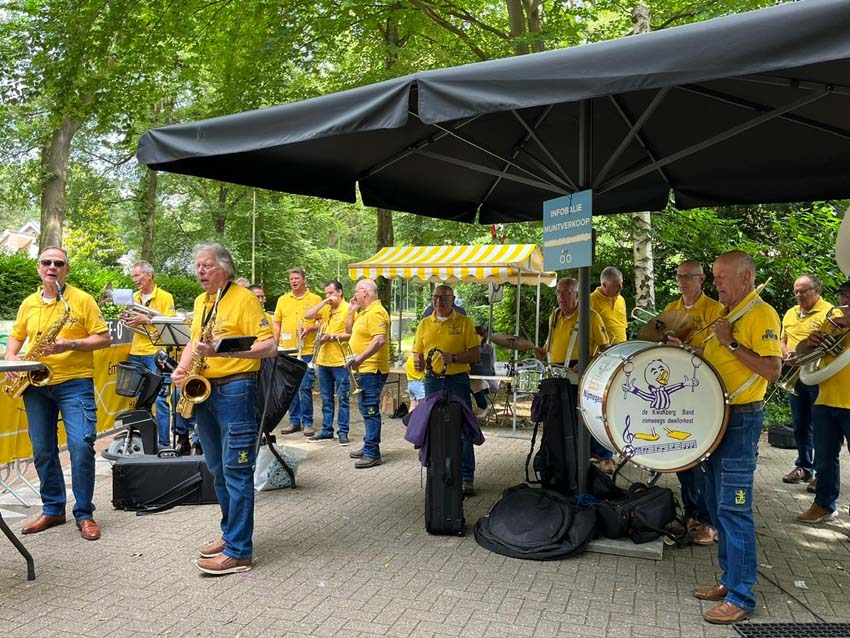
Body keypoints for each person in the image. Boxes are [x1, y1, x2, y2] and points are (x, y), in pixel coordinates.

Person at [172, 243, 276, 575]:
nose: (200, 271)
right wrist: (183, 368)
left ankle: (240, 552)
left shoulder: (244, 299)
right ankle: (230, 533)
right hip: (205, 390)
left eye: (206, 266)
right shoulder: (203, 301)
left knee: (236, 470)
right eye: (197, 266)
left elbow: (269, 346)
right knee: (217, 469)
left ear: (225, 268)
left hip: (235, 389)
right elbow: (193, 342)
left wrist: (222, 351)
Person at [691, 250, 781, 625]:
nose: (715, 284)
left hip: (741, 423)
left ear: (745, 277)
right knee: (718, 505)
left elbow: (772, 370)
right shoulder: (728, 315)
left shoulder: (760, 313)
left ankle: (742, 595)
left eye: (721, 277)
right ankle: (730, 581)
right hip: (719, 423)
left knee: (735, 508)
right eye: (714, 276)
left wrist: (728, 343)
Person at [5, 246, 111, 541]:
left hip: (74, 382)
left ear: (67, 269)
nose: (52, 267)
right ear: (39, 268)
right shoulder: (29, 303)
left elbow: (104, 338)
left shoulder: (82, 300)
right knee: (43, 450)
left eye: (58, 263)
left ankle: (85, 513)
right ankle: (53, 508)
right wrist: (12, 358)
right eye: (46, 262)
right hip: (36, 385)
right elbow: (15, 338)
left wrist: (70, 345)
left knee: (81, 446)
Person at [663, 260, 725, 545]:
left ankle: (710, 522)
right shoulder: (671, 310)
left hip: (706, 391)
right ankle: (692, 515)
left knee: (705, 462)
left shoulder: (716, 310)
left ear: (701, 279)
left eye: (688, 276)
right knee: (682, 456)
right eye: (679, 276)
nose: (682, 281)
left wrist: (685, 348)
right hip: (680, 392)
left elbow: (718, 353)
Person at [533, 277, 614, 472]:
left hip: (581, 373)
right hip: (556, 374)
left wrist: (587, 363)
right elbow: (549, 343)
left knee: (588, 416)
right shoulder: (554, 316)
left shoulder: (590, 316)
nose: (561, 297)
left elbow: (605, 349)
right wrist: (542, 352)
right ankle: (568, 453)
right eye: (559, 292)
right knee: (563, 418)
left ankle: (604, 455)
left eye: (567, 292)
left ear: (577, 295)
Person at [412, 284, 481, 494]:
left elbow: (476, 354)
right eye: (435, 297)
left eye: (443, 298)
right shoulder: (424, 324)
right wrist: (418, 362)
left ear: (453, 299)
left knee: (463, 428)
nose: (438, 302)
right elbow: (418, 352)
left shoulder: (464, 322)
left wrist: (454, 358)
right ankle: (437, 472)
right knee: (434, 427)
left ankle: (467, 477)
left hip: (457, 380)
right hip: (432, 381)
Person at [123, 260, 195, 453]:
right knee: (139, 400)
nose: (134, 279)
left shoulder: (165, 297)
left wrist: (146, 320)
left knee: (160, 400)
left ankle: (163, 443)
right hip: (136, 351)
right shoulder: (134, 297)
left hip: (155, 353)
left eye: (137, 275)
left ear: (149, 275)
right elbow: (130, 322)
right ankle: (143, 441)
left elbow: (169, 323)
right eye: (133, 276)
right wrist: (128, 320)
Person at [795, 280, 850, 525]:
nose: (846, 301)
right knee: (825, 458)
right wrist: (811, 341)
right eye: (844, 295)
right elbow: (801, 351)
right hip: (826, 398)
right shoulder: (833, 321)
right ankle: (823, 505)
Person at [779, 274, 832, 486]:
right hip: (796, 375)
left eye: (804, 291)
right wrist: (786, 354)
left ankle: (821, 473)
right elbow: (782, 339)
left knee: (821, 426)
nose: (799, 296)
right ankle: (804, 466)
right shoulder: (791, 313)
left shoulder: (830, 313)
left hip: (819, 376)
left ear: (817, 292)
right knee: (800, 424)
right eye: (796, 292)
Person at [345, 279, 390, 469]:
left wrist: (360, 358)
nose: (354, 295)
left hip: (372, 369)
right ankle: (368, 444)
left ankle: (373, 453)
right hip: (363, 369)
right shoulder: (365, 312)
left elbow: (379, 340)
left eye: (356, 291)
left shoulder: (377, 312)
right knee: (365, 408)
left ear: (365, 292)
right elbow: (349, 332)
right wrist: (351, 312)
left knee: (371, 410)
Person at [274, 267, 321, 436]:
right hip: (287, 349)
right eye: (291, 279)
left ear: (304, 280)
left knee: (305, 387)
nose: (293, 281)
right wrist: (274, 343)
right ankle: (294, 421)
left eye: (296, 278)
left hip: (307, 350)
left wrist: (310, 328)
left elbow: (323, 323)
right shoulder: (283, 300)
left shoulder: (315, 299)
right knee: (290, 388)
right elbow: (277, 323)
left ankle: (307, 422)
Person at [304, 279, 352, 446]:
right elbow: (308, 315)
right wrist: (324, 301)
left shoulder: (348, 309)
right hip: (323, 360)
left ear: (340, 292)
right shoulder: (325, 308)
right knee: (326, 398)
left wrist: (331, 337)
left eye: (331, 293)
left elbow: (351, 333)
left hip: (340, 360)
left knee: (343, 398)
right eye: (326, 293)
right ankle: (326, 431)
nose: (329, 296)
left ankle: (343, 432)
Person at [590, 266, 628, 345]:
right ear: (604, 285)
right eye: (616, 285)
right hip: (602, 352)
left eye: (621, 283)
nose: (621, 287)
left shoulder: (621, 299)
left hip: (622, 349)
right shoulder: (591, 300)